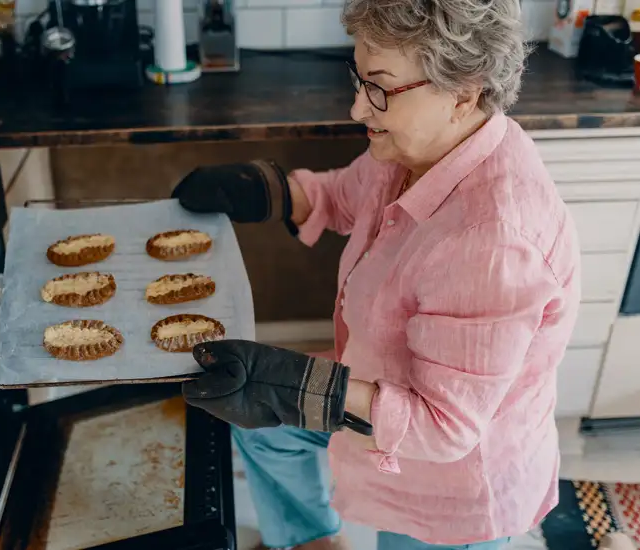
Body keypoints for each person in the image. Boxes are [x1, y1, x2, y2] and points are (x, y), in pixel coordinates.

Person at [170, 1, 592, 549]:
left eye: (379, 88)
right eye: (358, 78)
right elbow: (347, 196)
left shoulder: (494, 240)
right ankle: (311, 541)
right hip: (380, 386)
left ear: (463, 91)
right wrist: (267, 191)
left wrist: (299, 386)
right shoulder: (416, 149)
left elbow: (443, 428)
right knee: (268, 436)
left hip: (449, 486)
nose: (355, 109)